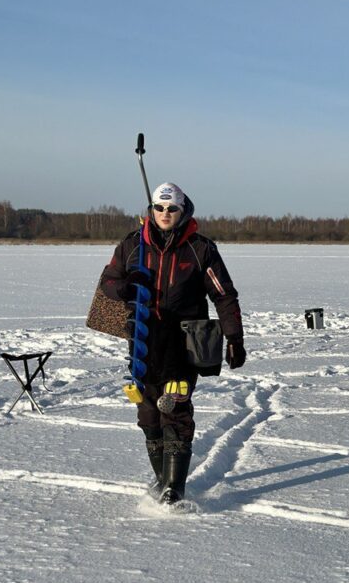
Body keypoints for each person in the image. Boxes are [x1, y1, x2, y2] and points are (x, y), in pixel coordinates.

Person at [101, 182, 246, 504]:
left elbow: (223, 295)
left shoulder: (200, 248)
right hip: (143, 335)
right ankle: (162, 479)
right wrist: (126, 286)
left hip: (185, 339)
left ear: (183, 211)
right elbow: (108, 282)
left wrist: (234, 336)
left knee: (175, 405)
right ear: (151, 210)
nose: (165, 214)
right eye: (159, 208)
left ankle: (174, 489)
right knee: (148, 411)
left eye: (172, 208)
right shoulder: (133, 245)